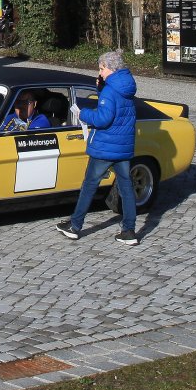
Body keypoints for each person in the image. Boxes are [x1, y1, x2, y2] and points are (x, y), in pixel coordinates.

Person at [56, 50, 140, 245]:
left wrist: (84, 114)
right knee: (126, 187)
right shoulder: (126, 85)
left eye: (101, 69)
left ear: (110, 68)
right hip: (123, 146)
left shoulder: (111, 90)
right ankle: (129, 230)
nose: (100, 73)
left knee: (89, 186)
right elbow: (115, 108)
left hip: (105, 147)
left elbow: (103, 118)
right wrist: (101, 90)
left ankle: (75, 226)